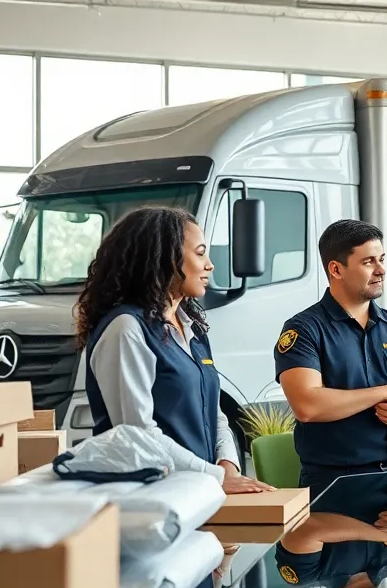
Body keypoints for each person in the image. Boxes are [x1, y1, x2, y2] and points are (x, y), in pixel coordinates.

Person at [76, 206, 271, 494]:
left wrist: (227, 464)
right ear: (165, 259)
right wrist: (214, 476)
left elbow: (214, 414)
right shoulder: (126, 330)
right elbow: (138, 436)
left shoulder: (192, 327)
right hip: (150, 500)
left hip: (199, 495)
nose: (210, 265)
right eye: (200, 252)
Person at [276, 219, 387, 493]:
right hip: (334, 484)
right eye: (369, 262)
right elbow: (308, 405)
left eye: (382, 259)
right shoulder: (303, 330)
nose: (381, 270)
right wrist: (386, 392)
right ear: (336, 269)